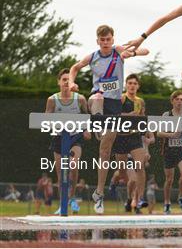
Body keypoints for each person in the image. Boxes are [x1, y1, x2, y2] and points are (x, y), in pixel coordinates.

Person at [69, 24, 149, 214]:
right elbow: (75, 67)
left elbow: (146, 50)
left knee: (104, 153)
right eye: (102, 40)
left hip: (114, 105)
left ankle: (98, 193)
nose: (105, 43)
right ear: (98, 41)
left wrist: (133, 53)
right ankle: (98, 126)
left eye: (108, 40)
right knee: (96, 98)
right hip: (98, 99)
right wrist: (72, 82)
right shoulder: (93, 57)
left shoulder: (118, 51)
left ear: (112, 40)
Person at [46, 68, 91, 214]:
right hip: (59, 137)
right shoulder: (52, 100)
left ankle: (72, 198)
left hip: (75, 137)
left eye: (68, 79)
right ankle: (63, 204)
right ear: (58, 82)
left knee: (73, 165)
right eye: (64, 79)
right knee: (61, 174)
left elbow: (88, 116)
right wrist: (55, 124)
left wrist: (87, 129)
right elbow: (45, 119)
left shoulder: (80, 99)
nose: (66, 82)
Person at [111, 74, 154, 214]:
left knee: (140, 168)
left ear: (138, 86)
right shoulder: (122, 98)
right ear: (126, 85)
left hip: (135, 137)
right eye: (130, 83)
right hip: (121, 138)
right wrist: (129, 115)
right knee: (124, 173)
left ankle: (139, 199)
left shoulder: (140, 101)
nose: (132, 86)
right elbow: (114, 116)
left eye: (135, 83)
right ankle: (130, 198)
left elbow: (143, 121)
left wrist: (146, 147)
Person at [157, 90, 182, 214]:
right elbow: (158, 133)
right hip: (169, 150)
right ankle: (167, 203)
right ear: (172, 101)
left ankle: (180, 197)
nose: (179, 102)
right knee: (169, 179)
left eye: (181, 99)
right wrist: (171, 135)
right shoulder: (166, 115)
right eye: (177, 99)